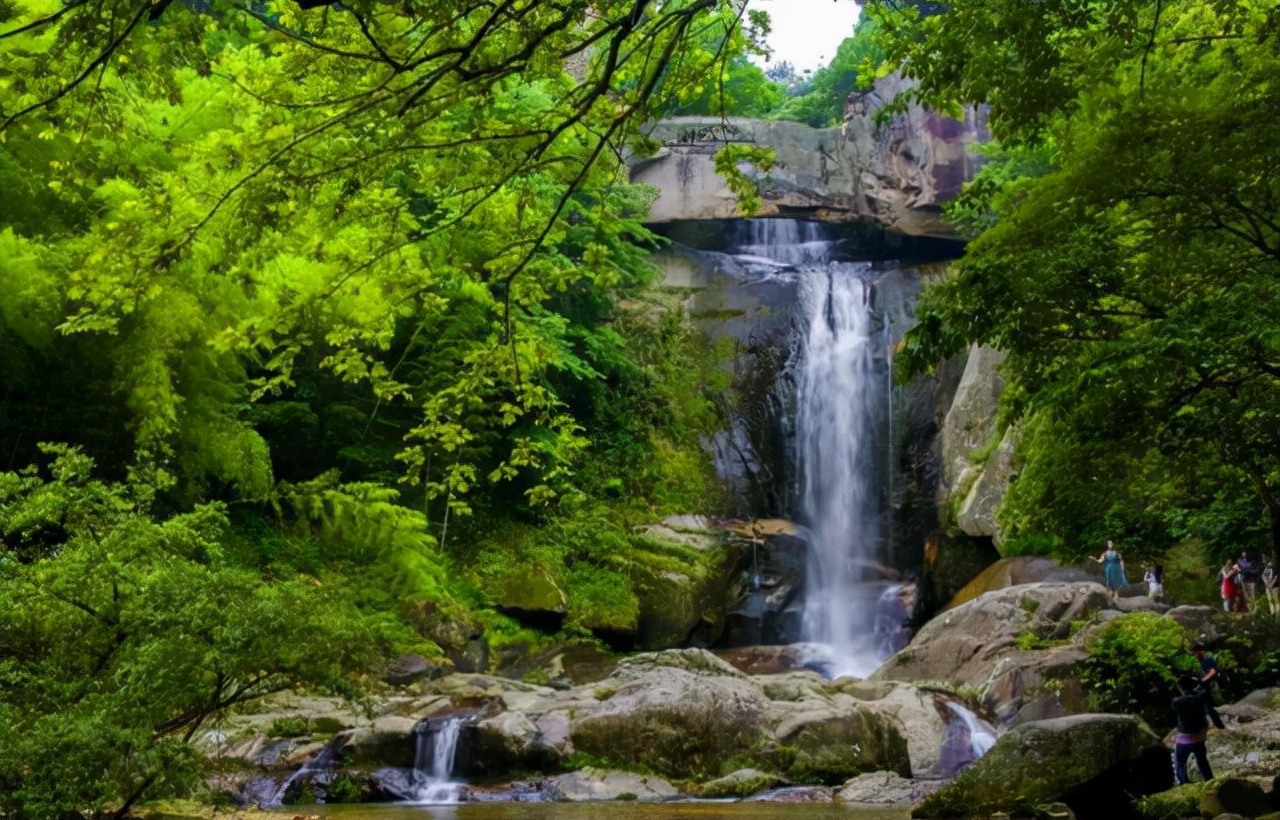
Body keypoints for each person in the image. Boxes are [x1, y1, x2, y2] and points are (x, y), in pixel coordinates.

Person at [1171, 673, 1217, 784]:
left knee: (1180, 763)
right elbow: (1206, 693)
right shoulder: (1200, 699)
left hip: (1184, 739)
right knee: (1203, 762)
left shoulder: (1178, 702)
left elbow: (1174, 701)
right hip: (1199, 738)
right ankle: (1210, 781)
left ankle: (1184, 784)